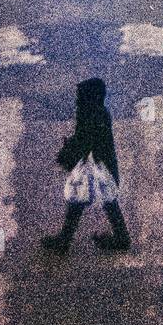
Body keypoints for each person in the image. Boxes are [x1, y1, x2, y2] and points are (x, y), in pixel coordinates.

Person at [42, 79, 131, 256]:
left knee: (81, 198)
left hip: (95, 163)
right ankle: (120, 237)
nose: (77, 100)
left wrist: (67, 155)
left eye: (80, 96)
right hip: (98, 162)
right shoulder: (97, 111)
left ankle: (65, 240)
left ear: (91, 97)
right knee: (102, 198)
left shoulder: (89, 112)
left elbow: (85, 139)